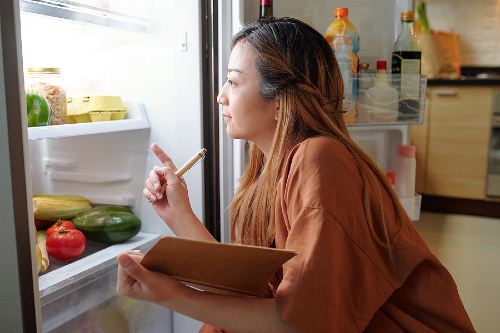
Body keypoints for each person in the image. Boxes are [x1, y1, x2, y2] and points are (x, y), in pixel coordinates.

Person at [116, 17, 475, 332]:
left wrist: (169, 293)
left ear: (279, 98)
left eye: (232, 82)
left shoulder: (322, 159)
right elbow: (250, 294)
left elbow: (300, 324)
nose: (220, 97)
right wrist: (178, 214)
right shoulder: (267, 172)